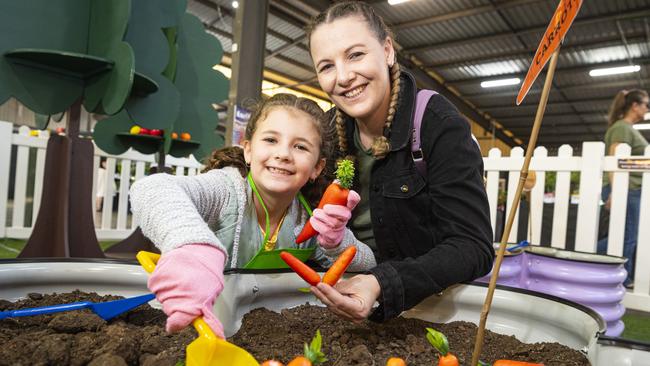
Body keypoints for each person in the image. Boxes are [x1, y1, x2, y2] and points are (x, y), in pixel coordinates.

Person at [304, 2, 494, 323]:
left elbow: (472, 246)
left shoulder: (437, 124)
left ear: (388, 50)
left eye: (355, 55)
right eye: (327, 66)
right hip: (342, 304)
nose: (344, 77)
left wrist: (381, 282)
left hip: (427, 312)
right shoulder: (325, 134)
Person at [129, 93, 376, 337]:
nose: (283, 154)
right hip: (190, 324)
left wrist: (337, 243)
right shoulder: (226, 190)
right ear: (248, 150)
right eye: (270, 140)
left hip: (266, 333)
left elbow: (369, 263)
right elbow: (150, 189)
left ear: (317, 167)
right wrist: (191, 245)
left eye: (300, 146)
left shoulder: (309, 217)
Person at [597, 89, 649, 289]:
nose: (647, 108)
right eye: (646, 104)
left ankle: (595, 259)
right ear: (635, 106)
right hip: (627, 190)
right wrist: (615, 192)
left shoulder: (627, 128)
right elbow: (615, 161)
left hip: (631, 190)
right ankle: (621, 277)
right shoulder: (622, 128)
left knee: (624, 234)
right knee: (628, 236)